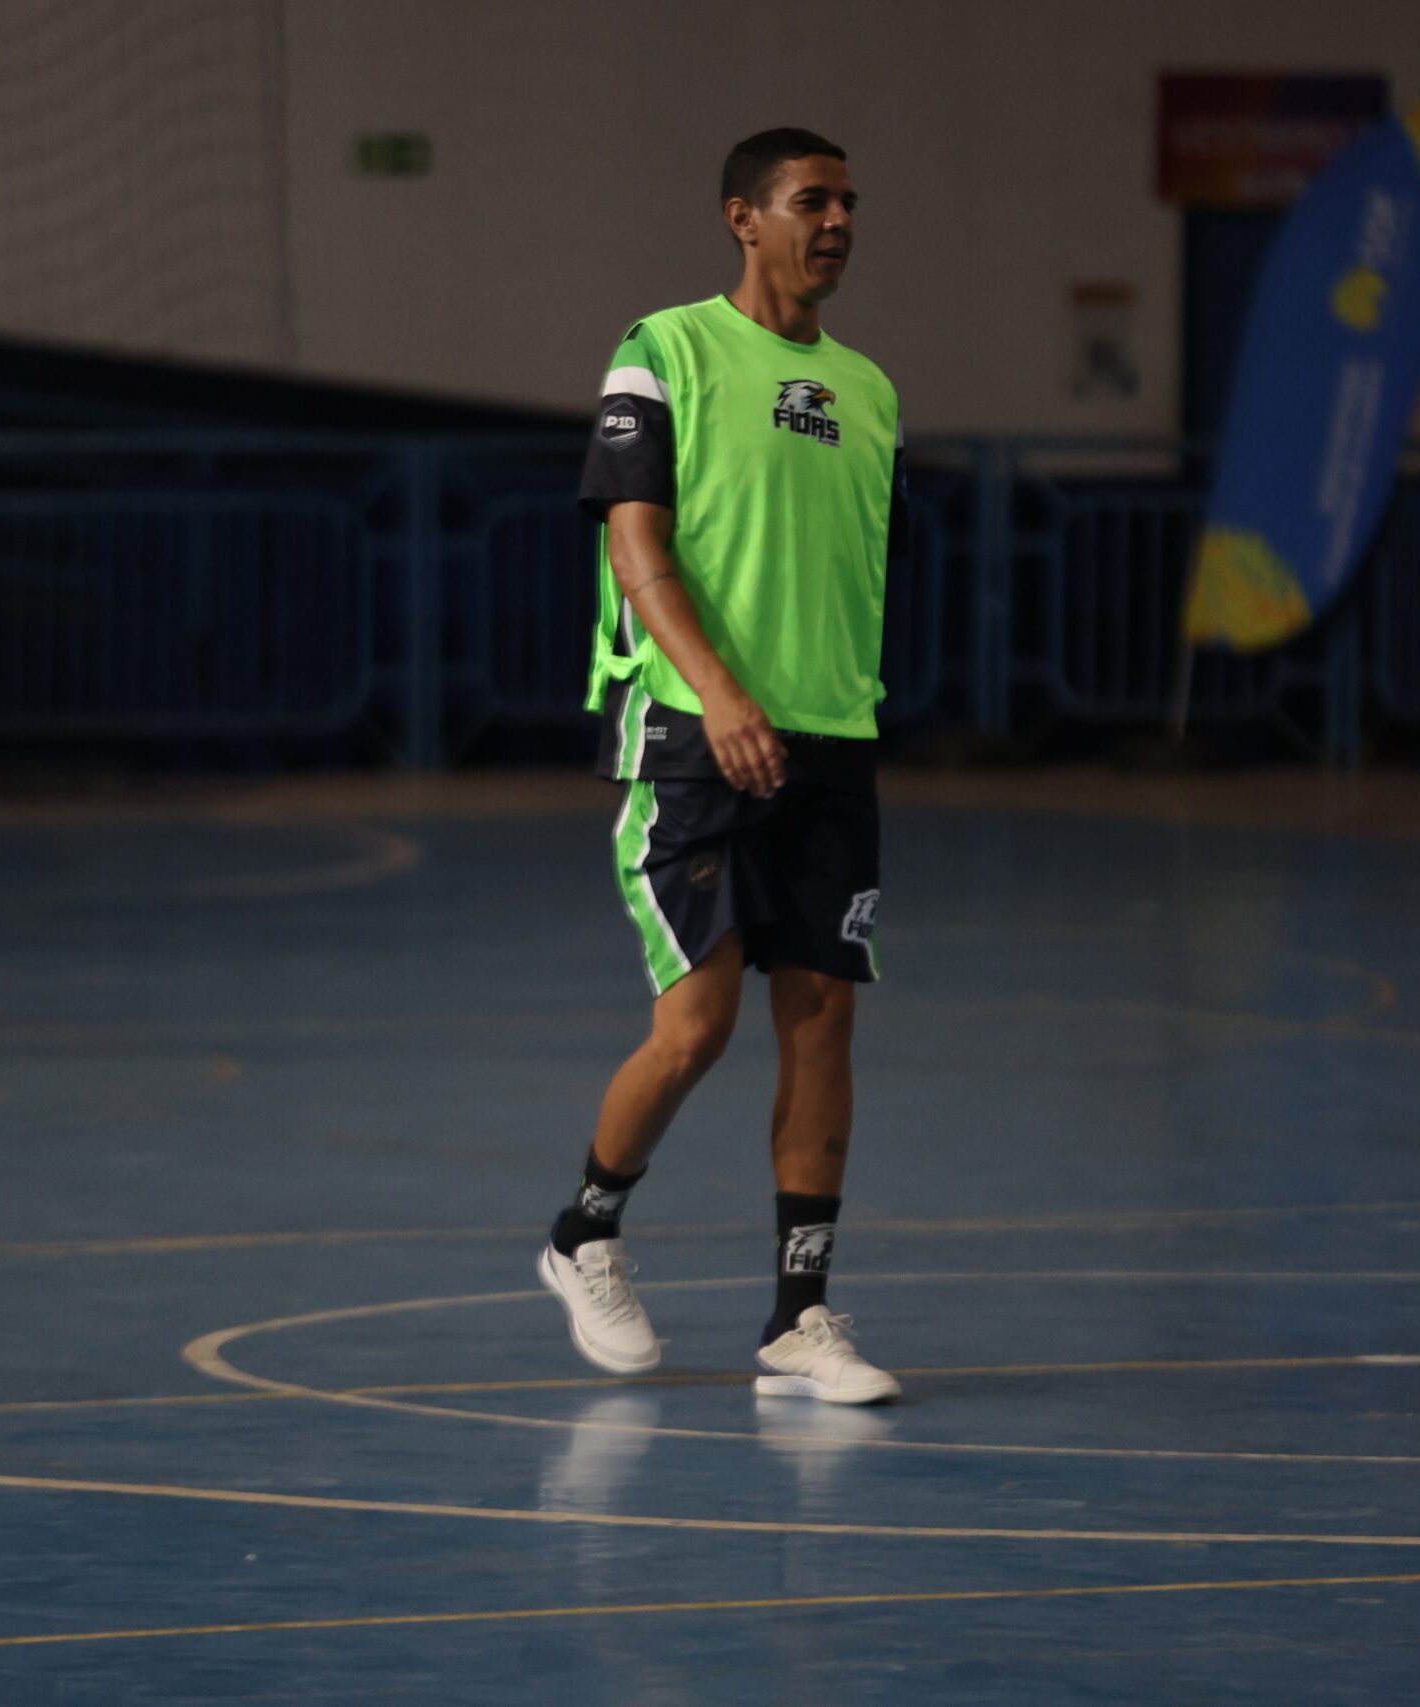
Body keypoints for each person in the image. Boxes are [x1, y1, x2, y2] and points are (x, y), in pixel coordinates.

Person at [539, 128, 909, 1405]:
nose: (839, 221)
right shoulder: (664, 351)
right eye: (813, 200)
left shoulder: (870, 391)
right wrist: (719, 692)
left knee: (823, 1018)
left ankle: (797, 1320)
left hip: (830, 742)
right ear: (742, 218)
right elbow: (639, 549)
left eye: (850, 202)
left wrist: (836, 713)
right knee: (696, 1023)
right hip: (695, 731)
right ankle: (585, 1231)